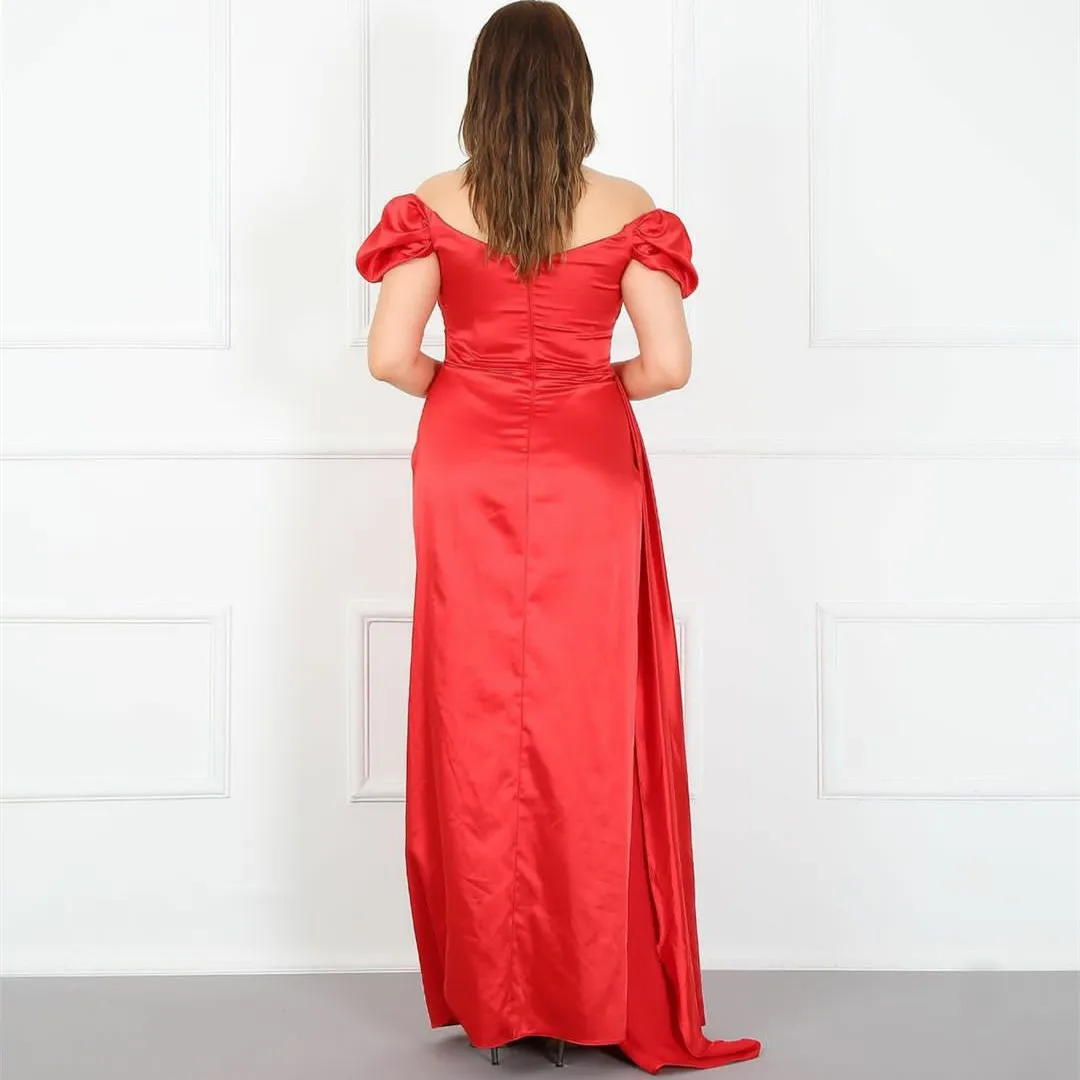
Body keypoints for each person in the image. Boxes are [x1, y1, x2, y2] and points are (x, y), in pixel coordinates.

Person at [354, 1, 762, 1072]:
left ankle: (499, 994)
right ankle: (589, 986)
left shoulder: (433, 206)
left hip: (466, 463)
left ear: (482, 91)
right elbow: (668, 365)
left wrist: (477, 388)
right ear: (576, 92)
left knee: (476, 709)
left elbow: (391, 357)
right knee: (590, 715)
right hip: (588, 464)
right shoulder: (627, 208)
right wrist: (581, 384)